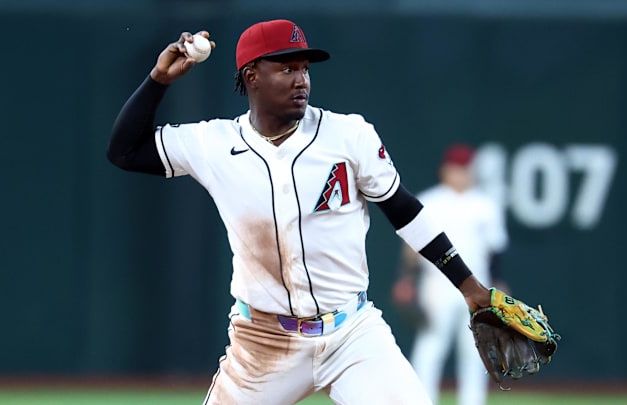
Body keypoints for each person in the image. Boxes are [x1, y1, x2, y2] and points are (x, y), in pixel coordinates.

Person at [107, 19, 494, 405]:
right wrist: (159, 78)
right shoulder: (213, 143)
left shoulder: (348, 135)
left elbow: (404, 211)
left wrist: (470, 287)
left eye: (305, 69)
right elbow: (124, 151)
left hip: (352, 334)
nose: (301, 80)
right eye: (287, 68)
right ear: (252, 76)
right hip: (262, 342)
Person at [391, 144, 509, 405]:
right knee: (430, 347)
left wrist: (498, 286)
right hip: (437, 286)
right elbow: (412, 247)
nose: (461, 174)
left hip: (478, 287)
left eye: (466, 169)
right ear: (445, 171)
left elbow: (495, 250)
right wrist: (407, 279)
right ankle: (421, 401)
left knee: (475, 351)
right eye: (457, 168)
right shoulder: (430, 201)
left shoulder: (485, 205)